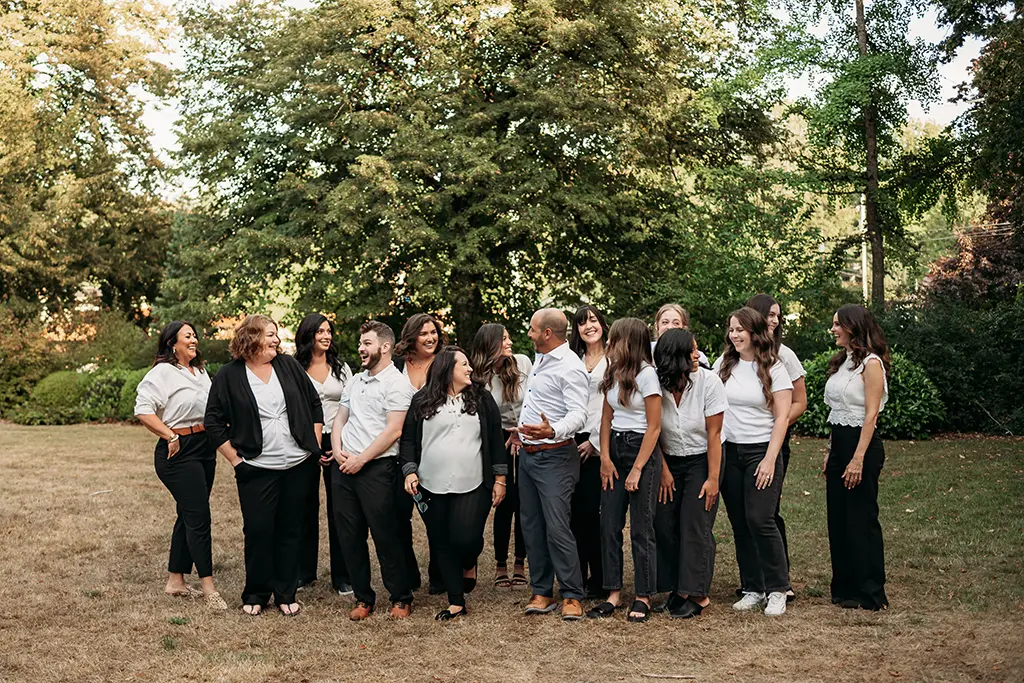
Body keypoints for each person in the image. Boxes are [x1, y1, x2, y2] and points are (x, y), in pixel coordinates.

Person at [205, 315, 324, 616]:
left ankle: (286, 592)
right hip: (257, 467)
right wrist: (235, 459)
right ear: (251, 338)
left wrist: (315, 442)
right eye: (270, 335)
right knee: (258, 531)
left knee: (290, 529)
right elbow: (213, 421)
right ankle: (257, 593)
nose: (276, 340)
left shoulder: (288, 366)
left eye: (276, 335)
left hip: (298, 463)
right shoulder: (229, 375)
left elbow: (314, 403)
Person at [399, 347, 508, 620]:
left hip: (474, 483)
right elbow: (409, 440)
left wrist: (500, 479)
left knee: (466, 538)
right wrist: (409, 471)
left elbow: (495, 439)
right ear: (447, 368)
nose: (469, 369)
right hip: (429, 485)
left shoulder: (482, 399)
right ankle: (456, 602)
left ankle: (470, 561)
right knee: (441, 541)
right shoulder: (421, 400)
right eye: (464, 365)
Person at [135, 321, 227, 611]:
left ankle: (175, 580)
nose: (194, 339)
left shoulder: (200, 372)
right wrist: (170, 434)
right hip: (178, 451)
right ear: (172, 343)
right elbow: (143, 409)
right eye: (187, 336)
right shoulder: (162, 373)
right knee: (199, 516)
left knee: (188, 514)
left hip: (204, 446)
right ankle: (209, 586)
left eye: (195, 335)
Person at [329, 321, 416, 620]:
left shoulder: (397, 384)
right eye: (361, 343)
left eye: (367, 343)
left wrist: (361, 459)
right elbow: (340, 418)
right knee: (349, 535)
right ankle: (363, 597)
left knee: (385, 535)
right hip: (343, 468)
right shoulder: (354, 381)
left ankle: (401, 597)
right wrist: (338, 448)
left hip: (377, 469)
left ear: (385, 346)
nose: (361, 348)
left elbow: (394, 431)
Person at [712, 307, 793, 617]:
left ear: (754, 332)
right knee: (741, 523)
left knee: (761, 519)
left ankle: (777, 589)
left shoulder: (774, 367)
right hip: (730, 452)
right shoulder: (724, 364)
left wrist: (771, 459)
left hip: (762, 451)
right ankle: (753, 588)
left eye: (739, 329)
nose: (734, 335)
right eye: (731, 329)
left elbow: (782, 416)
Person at [515, 308, 590, 621]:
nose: (529, 334)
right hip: (528, 456)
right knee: (532, 526)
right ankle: (542, 591)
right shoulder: (540, 359)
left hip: (556, 456)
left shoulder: (571, 367)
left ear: (547, 333)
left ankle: (572, 595)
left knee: (558, 527)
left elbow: (578, 414)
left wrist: (552, 430)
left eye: (533, 330)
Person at [585, 318, 662, 623]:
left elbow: (655, 427)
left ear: (628, 342)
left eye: (614, 339)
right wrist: (605, 458)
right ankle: (613, 593)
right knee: (609, 524)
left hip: (641, 451)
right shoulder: (613, 372)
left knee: (642, 529)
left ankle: (643, 595)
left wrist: (638, 469)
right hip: (615, 448)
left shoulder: (647, 376)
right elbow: (606, 418)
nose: (608, 345)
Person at [652, 329, 727, 619]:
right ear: (675, 357)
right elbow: (653, 430)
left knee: (695, 521)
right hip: (669, 459)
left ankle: (698, 594)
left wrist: (712, 479)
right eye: (691, 350)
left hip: (702, 460)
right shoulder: (657, 386)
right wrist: (664, 472)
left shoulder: (709, 382)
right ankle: (676, 589)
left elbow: (715, 434)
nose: (697, 355)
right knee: (664, 522)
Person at [823, 304, 890, 611]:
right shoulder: (843, 361)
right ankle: (845, 588)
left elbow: (871, 414)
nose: (833, 329)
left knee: (861, 519)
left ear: (852, 327)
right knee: (838, 520)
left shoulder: (872, 364)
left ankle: (871, 591)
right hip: (839, 444)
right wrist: (830, 452)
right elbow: (836, 411)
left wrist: (858, 458)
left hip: (862, 447)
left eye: (838, 324)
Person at [745, 294, 807, 601]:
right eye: (770, 314)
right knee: (750, 513)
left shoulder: (785, 356)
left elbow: (801, 402)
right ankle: (754, 582)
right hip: (742, 445)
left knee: (767, 512)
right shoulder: (737, 355)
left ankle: (780, 583)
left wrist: (775, 426)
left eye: (777, 316)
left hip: (773, 446)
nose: (775, 321)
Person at [294, 313, 354, 596]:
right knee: (304, 507)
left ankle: (343, 575)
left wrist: (338, 445)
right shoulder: (293, 368)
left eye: (329, 331)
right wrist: (311, 446)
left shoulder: (342, 369)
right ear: (308, 335)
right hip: (304, 442)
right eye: (320, 331)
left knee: (339, 508)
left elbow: (353, 406)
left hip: (338, 439)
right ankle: (303, 571)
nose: (327, 336)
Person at [469, 323, 532, 590]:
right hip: (497, 442)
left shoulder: (523, 363)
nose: (509, 342)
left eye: (508, 337)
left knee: (523, 503)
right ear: (490, 344)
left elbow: (532, 399)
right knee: (503, 503)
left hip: (526, 438)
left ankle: (520, 564)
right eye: (503, 339)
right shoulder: (477, 376)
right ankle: (500, 565)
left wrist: (521, 433)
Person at [393, 313, 446, 591]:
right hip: (396, 451)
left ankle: (440, 576)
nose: (430, 338)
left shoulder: (444, 365)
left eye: (433, 332)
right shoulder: (395, 366)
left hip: (433, 451)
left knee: (436, 518)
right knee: (398, 519)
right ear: (412, 336)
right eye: (424, 333)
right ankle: (407, 576)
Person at [567, 304, 609, 599]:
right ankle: (576, 576)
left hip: (601, 441)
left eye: (593, 320)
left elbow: (617, 402)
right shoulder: (572, 359)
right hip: (570, 440)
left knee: (595, 515)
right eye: (582, 323)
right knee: (574, 514)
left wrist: (595, 441)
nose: (588, 326)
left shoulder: (616, 358)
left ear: (603, 324)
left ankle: (601, 578)